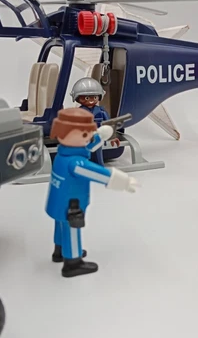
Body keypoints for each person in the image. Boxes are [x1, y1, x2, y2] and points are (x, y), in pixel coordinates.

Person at [46, 108, 137, 277]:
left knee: (60, 225)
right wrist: (122, 181)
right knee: (71, 231)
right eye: (85, 133)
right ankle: (73, 262)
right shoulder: (75, 164)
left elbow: (85, 148)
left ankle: (60, 251)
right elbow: (98, 173)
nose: (89, 136)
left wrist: (101, 136)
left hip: (58, 200)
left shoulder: (63, 154)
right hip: (71, 204)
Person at [69, 77, 119, 166]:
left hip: (98, 137)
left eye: (95, 97)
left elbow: (109, 125)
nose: (91, 100)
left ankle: (99, 167)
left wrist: (112, 137)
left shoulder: (101, 111)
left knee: (98, 156)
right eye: (87, 98)